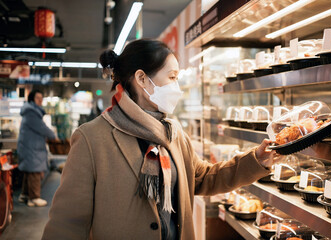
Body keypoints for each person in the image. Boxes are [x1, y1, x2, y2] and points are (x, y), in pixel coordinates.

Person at [42, 39, 278, 240]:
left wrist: (256, 160)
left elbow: (202, 178)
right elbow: (67, 223)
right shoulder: (92, 139)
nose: (177, 87)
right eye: (172, 77)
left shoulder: (172, 131)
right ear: (142, 79)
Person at [17, 89, 56, 207]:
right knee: (34, 171)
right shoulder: (31, 112)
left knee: (29, 172)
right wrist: (53, 135)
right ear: (32, 99)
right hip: (32, 148)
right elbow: (42, 128)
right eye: (38, 98)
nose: (41, 101)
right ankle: (34, 198)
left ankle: (25, 195)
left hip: (30, 146)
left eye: (41, 98)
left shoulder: (31, 111)